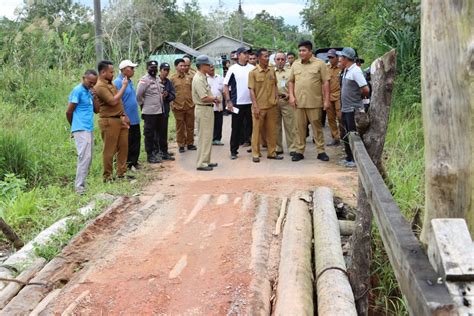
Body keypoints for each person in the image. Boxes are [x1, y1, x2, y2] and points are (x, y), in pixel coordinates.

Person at [288, 40, 330, 162]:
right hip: (298, 103)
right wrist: (291, 96)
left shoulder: (320, 64)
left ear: (310, 51)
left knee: (317, 127)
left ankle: (321, 151)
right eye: (300, 50)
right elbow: (291, 81)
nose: (301, 53)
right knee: (299, 128)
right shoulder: (295, 64)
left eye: (304, 50)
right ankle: (299, 151)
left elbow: (325, 82)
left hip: (314, 102)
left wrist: (326, 100)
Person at [94, 60, 132, 182]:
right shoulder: (100, 86)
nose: (113, 74)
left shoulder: (111, 84)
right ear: (103, 72)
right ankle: (108, 176)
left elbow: (119, 103)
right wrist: (124, 86)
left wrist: (124, 115)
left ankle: (121, 173)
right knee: (109, 150)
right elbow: (113, 101)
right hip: (109, 120)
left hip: (119, 119)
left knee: (123, 147)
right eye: (111, 72)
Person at [66, 69, 98, 194]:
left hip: (88, 128)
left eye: (94, 83)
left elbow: (97, 110)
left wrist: (94, 96)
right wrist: (74, 127)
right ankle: (79, 188)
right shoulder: (78, 90)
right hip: (80, 128)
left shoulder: (89, 92)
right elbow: (69, 111)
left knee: (88, 157)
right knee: (84, 157)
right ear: (83, 78)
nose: (92, 84)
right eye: (90, 82)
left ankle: (82, 184)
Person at [248, 48, 283, 162]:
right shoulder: (253, 73)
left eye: (268, 56)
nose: (267, 59)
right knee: (257, 131)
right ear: (258, 58)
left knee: (272, 130)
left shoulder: (271, 70)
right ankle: (255, 153)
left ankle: (271, 153)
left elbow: (275, 85)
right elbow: (251, 90)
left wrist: (276, 97)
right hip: (260, 107)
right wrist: (255, 106)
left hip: (272, 106)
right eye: (264, 56)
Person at [337, 47, 370, 168]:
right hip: (346, 108)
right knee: (347, 134)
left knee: (353, 134)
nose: (339, 59)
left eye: (341, 57)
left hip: (353, 109)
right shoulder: (346, 70)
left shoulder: (355, 71)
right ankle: (349, 157)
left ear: (346, 58)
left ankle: (355, 160)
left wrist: (357, 99)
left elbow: (365, 89)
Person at [224, 47, 255, 159]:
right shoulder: (233, 69)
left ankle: (254, 148)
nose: (247, 55)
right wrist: (228, 101)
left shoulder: (252, 68)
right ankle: (233, 150)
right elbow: (225, 86)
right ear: (238, 55)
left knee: (252, 127)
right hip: (237, 103)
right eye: (245, 53)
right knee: (236, 127)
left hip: (251, 103)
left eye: (248, 53)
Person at [136, 60, 170, 164]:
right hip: (149, 113)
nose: (153, 70)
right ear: (147, 68)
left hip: (159, 111)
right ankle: (149, 155)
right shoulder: (144, 80)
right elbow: (138, 96)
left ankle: (158, 153)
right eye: (151, 68)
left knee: (159, 133)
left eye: (155, 68)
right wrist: (143, 106)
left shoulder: (158, 79)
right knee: (149, 134)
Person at [192, 55, 219, 171]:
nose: (210, 66)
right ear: (202, 66)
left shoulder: (203, 77)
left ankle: (206, 160)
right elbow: (203, 97)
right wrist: (214, 98)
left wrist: (213, 99)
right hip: (203, 108)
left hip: (207, 109)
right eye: (208, 65)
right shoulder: (198, 78)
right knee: (204, 136)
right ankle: (201, 163)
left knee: (208, 136)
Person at [114, 60, 140, 170]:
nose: (133, 70)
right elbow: (118, 101)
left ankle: (134, 162)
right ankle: (127, 164)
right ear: (124, 70)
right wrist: (124, 115)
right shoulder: (118, 82)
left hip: (134, 117)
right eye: (131, 68)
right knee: (126, 142)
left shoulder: (129, 81)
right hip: (126, 117)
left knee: (135, 139)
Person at [274, 52, 297, 156]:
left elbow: (295, 85)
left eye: (282, 59)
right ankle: (278, 147)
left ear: (285, 60)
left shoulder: (290, 71)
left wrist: (291, 95)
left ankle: (292, 147)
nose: (280, 61)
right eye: (278, 59)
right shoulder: (270, 72)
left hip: (287, 101)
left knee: (290, 126)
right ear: (274, 60)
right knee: (276, 126)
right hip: (274, 102)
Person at [171, 58, 197, 153]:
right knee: (180, 127)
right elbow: (170, 92)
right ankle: (181, 144)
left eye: (184, 65)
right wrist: (172, 104)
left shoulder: (190, 77)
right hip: (178, 107)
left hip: (190, 105)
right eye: (181, 66)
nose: (183, 67)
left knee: (190, 126)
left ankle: (190, 143)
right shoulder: (172, 79)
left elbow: (193, 90)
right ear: (176, 67)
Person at [159, 62, 176, 158]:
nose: (166, 72)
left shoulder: (169, 82)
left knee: (164, 132)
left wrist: (167, 95)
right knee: (155, 133)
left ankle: (164, 151)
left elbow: (173, 95)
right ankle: (157, 152)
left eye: (167, 70)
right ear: (160, 70)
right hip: (155, 111)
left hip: (165, 110)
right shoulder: (155, 80)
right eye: (164, 70)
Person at [326, 49, 342, 146]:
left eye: (332, 57)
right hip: (329, 96)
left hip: (339, 96)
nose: (330, 59)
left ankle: (343, 136)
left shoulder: (341, 68)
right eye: (329, 57)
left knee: (340, 117)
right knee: (331, 118)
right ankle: (335, 138)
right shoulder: (326, 68)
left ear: (337, 58)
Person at [207, 64, 225, 146]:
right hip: (208, 104)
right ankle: (209, 139)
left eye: (212, 67)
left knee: (218, 122)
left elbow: (224, 90)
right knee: (209, 123)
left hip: (218, 104)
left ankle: (217, 139)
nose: (212, 68)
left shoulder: (220, 78)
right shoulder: (204, 78)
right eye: (210, 67)